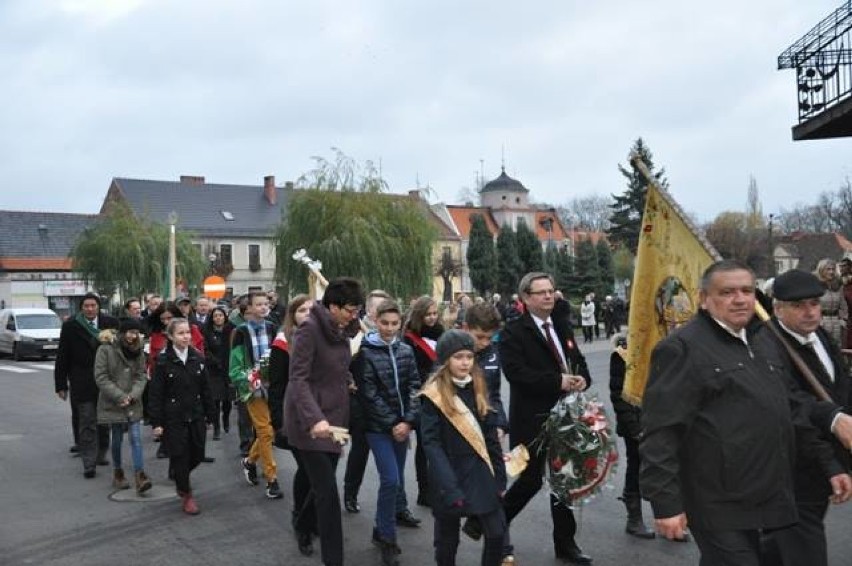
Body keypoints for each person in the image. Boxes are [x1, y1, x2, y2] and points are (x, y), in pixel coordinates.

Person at [640, 260, 799, 566]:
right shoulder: (682, 348)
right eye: (727, 292)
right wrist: (665, 503)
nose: (739, 299)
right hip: (715, 499)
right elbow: (660, 432)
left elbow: (788, 405)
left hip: (766, 493)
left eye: (746, 290)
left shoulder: (764, 340)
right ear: (703, 298)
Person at [761, 269, 852, 566]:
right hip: (791, 470)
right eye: (798, 305)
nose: (810, 311)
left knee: (776, 545)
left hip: (817, 471)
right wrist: (832, 465)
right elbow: (793, 411)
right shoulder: (767, 345)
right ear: (778, 308)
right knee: (805, 550)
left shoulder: (819, 335)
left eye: (814, 303)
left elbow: (840, 390)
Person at [500, 272, 592, 564]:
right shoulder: (515, 332)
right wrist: (558, 382)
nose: (548, 296)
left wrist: (582, 379)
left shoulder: (561, 325)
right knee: (530, 480)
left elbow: (577, 360)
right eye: (540, 292)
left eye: (551, 291)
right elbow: (517, 374)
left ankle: (566, 545)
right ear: (526, 298)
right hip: (532, 420)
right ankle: (493, 522)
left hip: (566, 417)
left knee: (564, 481)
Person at [284, 277, 364, 566]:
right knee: (329, 494)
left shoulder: (342, 329)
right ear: (332, 306)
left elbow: (336, 367)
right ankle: (334, 560)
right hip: (309, 422)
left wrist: (348, 380)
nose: (354, 316)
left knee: (320, 486)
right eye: (350, 310)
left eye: (357, 310)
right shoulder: (309, 330)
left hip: (335, 420)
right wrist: (314, 419)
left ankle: (303, 524)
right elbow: (298, 379)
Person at [420, 330, 507, 566]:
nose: (465, 362)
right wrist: (449, 488)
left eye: (469, 356)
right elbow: (432, 444)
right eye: (458, 357)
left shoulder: (479, 386)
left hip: (480, 471)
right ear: (446, 359)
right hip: (449, 474)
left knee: (496, 533)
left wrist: (500, 478)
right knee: (447, 542)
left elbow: (490, 438)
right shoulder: (433, 395)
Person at [357, 299, 421, 566]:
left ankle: (379, 528)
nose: (390, 328)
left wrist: (408, 421)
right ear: (376, 321)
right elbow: (368, 394)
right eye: (385, 323)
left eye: (395, 324)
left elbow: (415, 387)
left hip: (402, 428)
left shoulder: (406, 350)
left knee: (394, 483)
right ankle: (388, 538)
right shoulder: (365, 352)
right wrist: (393, 422)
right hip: (379, 428)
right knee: (391, 480)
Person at [149, 318, 215, 515]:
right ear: (170, 336)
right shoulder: (162, 361)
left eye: (188, 332)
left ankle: (179, 472)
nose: (186, 336)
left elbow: (206, 389)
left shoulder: (197, 358)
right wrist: (157, 422)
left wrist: (211, 415)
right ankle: (186, 494)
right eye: (181, 333)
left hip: (195, 413)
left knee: (197, 454)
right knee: (180, 455)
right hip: (173, 417)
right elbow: (156, 394)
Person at [268, 294, 316, 556]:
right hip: (294, 416)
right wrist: (278, 422)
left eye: (312, 309)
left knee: (321, 472)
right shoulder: (283, 343)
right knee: (308, 470)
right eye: (301, 310)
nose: (307, 314)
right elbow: (276, 386)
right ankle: (302, 523)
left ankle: (312, 517)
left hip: (320, 415)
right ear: (292, 315)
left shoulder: (321, 338)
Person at [55, 293, 119, 478]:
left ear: (99, 307)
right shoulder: (71, 326)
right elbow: (62, 356)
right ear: (81, 308)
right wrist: (61, 384)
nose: (90, 309)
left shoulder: (110, 323)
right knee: (87, 421)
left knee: (103, 421)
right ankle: (89, 462)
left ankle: (101, 453)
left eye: (93, 305)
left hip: (107, 380)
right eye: (86, 306)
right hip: (81, 380)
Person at [230, 291, 282, 500]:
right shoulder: (241, 332)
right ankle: (272, 478)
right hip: (253, 388)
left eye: (266, 303)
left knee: (271, 430)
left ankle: (250, 461)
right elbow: (234, 366)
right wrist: (247, 379)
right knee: (265, 431)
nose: (263, 307)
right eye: (258, 304)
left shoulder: (272, 328)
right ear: (249, 308)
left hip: (273, 386)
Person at [344, 289, 391, 514]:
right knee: (360, 450)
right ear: (370, 311)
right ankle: (350, 493)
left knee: (392, 458)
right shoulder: (355, 334)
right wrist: (349, 380)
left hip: (387, 403)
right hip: (361, 402)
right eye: (379, 308)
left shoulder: (391, 336)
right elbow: (341, 364)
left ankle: (396, 503)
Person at [94, 318, 152, 494]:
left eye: (136, 333)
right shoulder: (105, 349)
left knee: (135, 438)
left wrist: (133, 395)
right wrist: (120, 396)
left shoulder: (139, 350)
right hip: (114, 401)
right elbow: (101, 377)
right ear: (122, 332)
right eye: (130, 332)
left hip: (133, 402)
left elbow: (142, 375)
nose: (133, 336)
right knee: (117, 437)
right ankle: (118, 473)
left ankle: (140, 475)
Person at [402, 295, 446, 515]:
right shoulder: (409, 338)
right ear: (419, 315)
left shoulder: (442, 334)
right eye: (427, 314)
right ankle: (424, 490)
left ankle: (439, 486)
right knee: (425, 445)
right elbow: (410, 369)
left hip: (443, 395)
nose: (432, 318)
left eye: (434, 313)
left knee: (441, 444)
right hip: (422, 396)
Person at [608, 335, 655, 539]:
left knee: (667, 467)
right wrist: (635, 428)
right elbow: (619, 394)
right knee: (637, 466)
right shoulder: (623, 352)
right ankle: (634, 518)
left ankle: (669, 516)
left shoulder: (665, 341)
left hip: (662, 418)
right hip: (636, 420)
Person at [202, 306, 234, 440]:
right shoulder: (207, 331)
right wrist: (215, 362)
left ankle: (226, 418)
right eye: (215, 316)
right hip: (213, 370)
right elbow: (205, 349)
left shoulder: (231, 330)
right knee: (215, 400)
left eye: (220, 315)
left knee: (228, 400)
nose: (218, 318)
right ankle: (216, 427)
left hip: (229, 368)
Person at [814, 258, 848, 348]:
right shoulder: (816, 287)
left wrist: (843, 320)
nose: (831, 272)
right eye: (828, 269)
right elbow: (813, 305)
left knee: (837, 348)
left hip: (836, 322)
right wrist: (819, 321)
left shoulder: (837, 286)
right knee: (823, 346)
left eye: (833, 269)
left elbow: (843, 305)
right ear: (821, 270)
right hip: (822, 322)